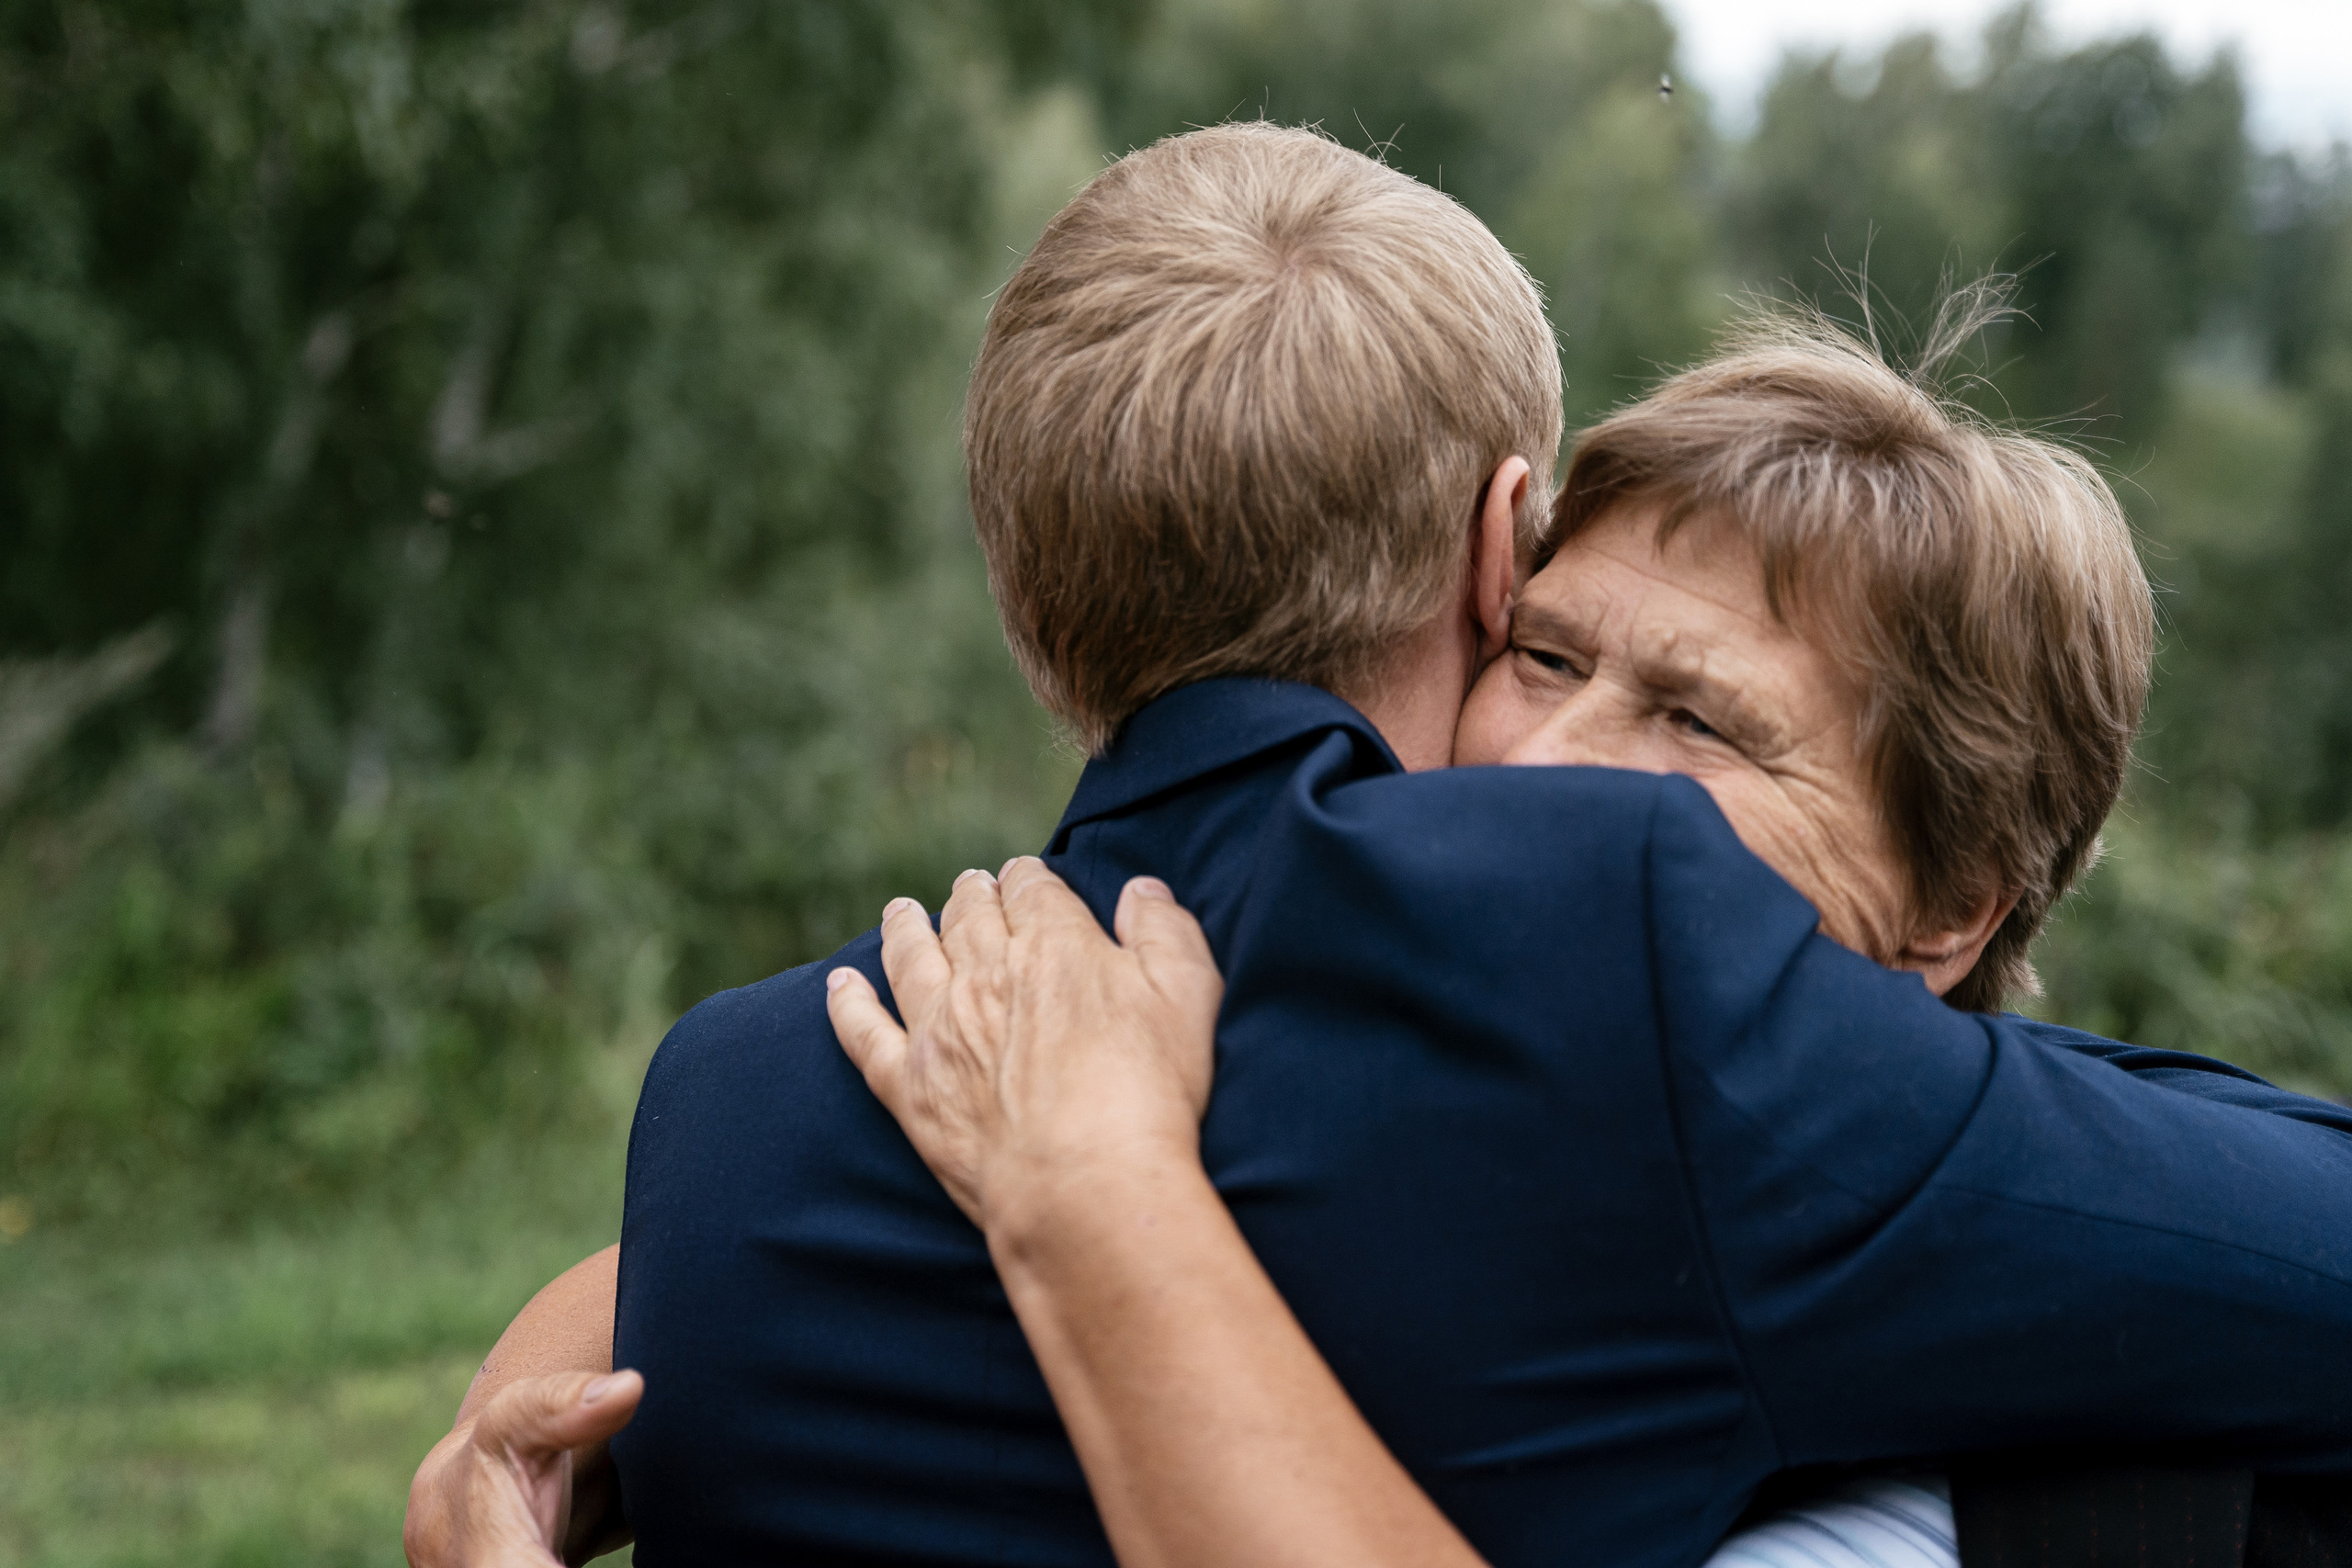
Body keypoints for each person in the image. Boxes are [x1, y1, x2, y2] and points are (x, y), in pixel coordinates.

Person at [403, 124, 2352, 1568]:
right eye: (1552, 657)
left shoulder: (728, 1107)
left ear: (1023, 607)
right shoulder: (1613, 964)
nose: (1568, 772)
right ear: (1497, 548)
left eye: (1691, 715)